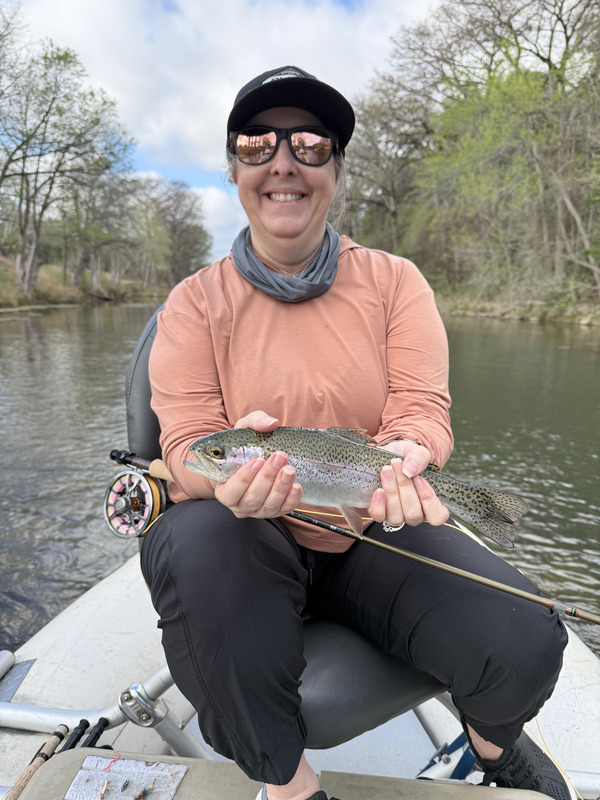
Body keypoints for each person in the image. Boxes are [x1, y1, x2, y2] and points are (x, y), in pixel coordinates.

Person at [141, 66, 573, 800]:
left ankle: (493, 748)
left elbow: (419, 407)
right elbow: (186, 446)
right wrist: (211, 474)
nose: (283, 161)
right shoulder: (192, 305)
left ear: (335, 169)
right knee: (198, 540)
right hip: (245, 537)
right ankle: (292, 786)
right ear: (235, 169)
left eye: (309, 144)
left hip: (370, 521)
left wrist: (412, 453)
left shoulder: (396, 282)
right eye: (257, 144)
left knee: (528, 636)